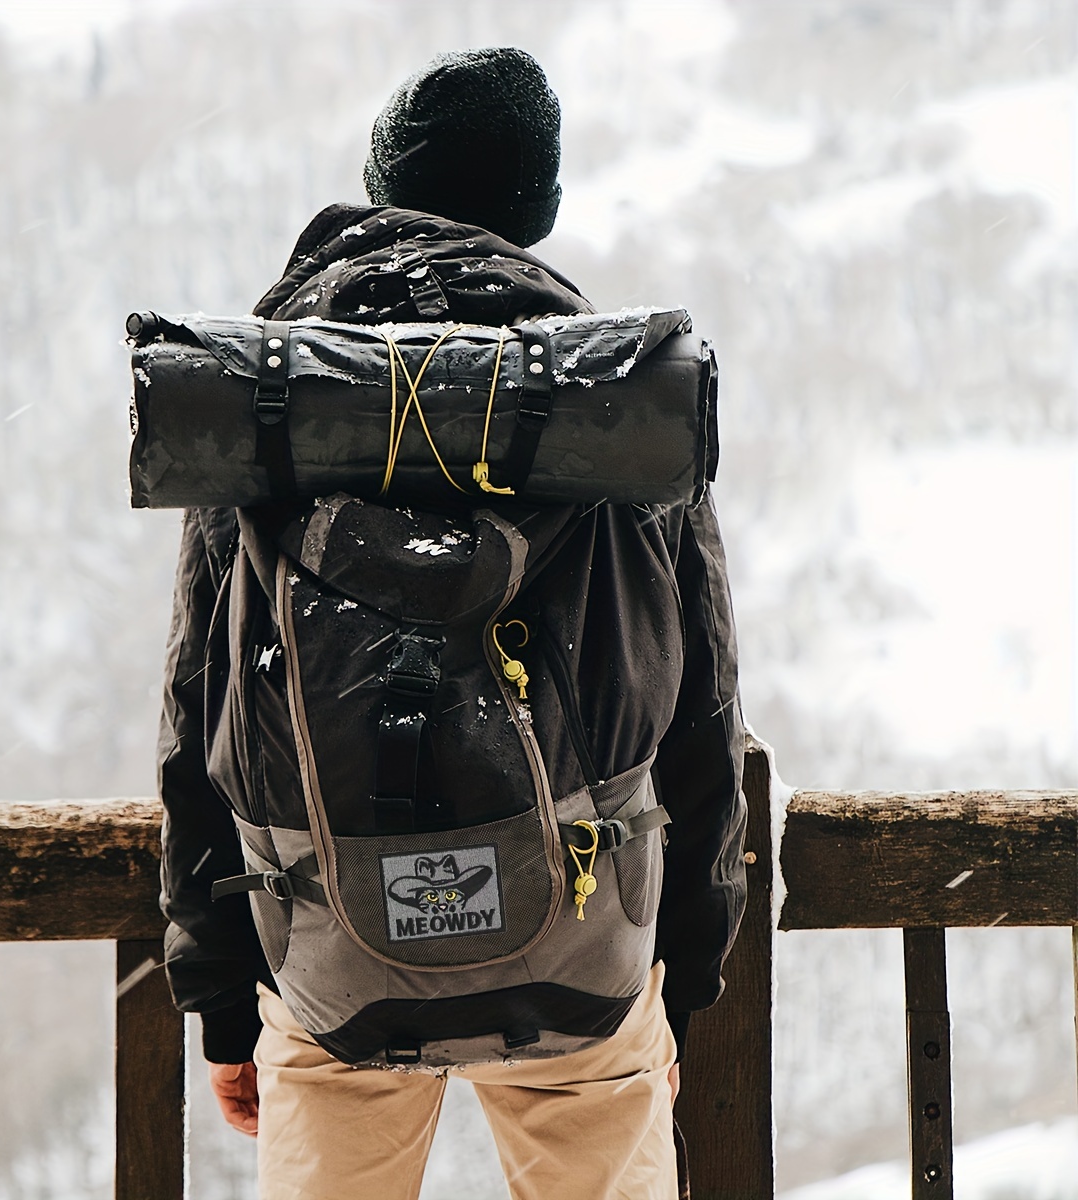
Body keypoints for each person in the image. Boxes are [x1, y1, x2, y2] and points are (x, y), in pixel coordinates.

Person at [158, 47, 746, 1200]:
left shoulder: (270, 408)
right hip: (587, 951)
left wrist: (225, 1003)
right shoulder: (617, 408)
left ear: (384, 188)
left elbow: (198, 715)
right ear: (538, 212)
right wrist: (681, 979)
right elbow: (704, 708)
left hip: (326, 960)